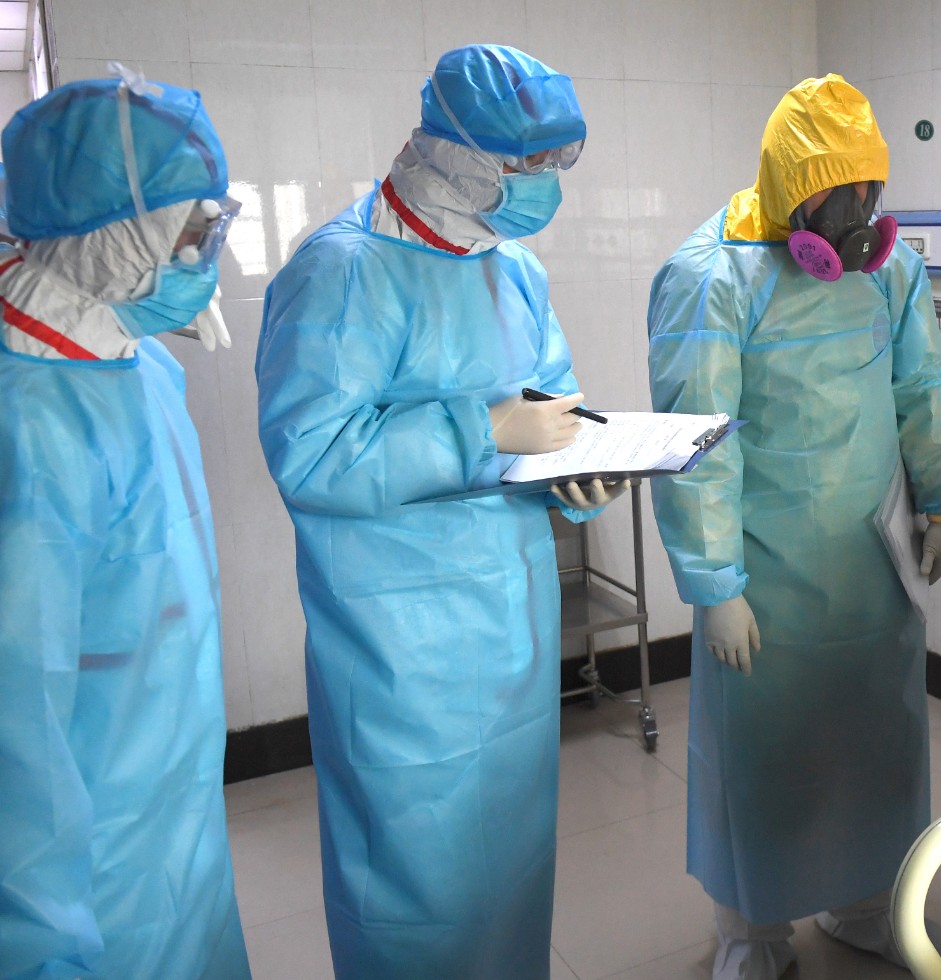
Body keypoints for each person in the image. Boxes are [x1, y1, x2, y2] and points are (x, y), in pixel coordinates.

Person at [255, 45, 621, 979]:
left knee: (509, 867)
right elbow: (311, 455)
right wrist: (479, 426)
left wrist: (579, 466)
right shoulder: (342, 269)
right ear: (453, 152)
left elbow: (554, 403)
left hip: (513, 627)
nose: (543, 180)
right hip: (398, 647)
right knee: (413, 883)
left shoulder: (513, 269)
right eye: (525, 161)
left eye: (556, 160)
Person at [647, 74, 941, 979]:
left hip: (871, 558)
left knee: (873, 743)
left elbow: (921, 389)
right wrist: (714, 584)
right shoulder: (712, 277)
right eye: (841, 197)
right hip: (763, 569)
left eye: (870, 191)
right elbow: (697, 443)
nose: (860, 218)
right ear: (794, 190)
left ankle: (866, 901)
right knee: (762, 757)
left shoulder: (891, 269)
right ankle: (750, 931)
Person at [0, 70, 250, 977]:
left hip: (172, 809)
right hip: (90, 876)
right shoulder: (26, 425)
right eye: (188, 233)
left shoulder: (136, 362)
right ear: (109, 235)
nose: (204, 254)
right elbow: (16, 735)